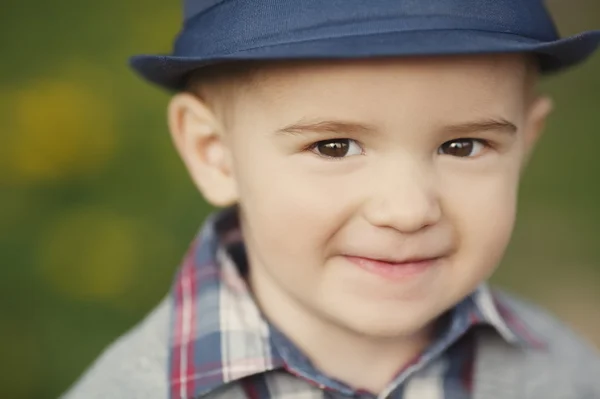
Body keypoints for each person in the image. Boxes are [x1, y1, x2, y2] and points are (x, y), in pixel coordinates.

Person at [64, 0, 600, 398]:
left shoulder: (568, 376)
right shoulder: (128, 388)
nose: (408, 210)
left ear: (525, 144)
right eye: (334, 146)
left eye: (462, 146)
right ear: (215, 153)